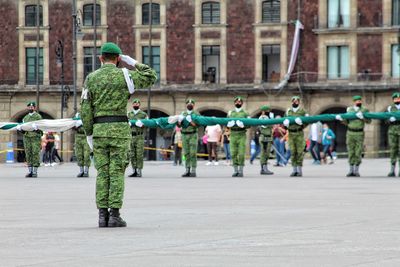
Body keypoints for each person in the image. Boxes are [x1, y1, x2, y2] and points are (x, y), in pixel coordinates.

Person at [81, 42, 157, 228]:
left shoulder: (91, 78)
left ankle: (101, 215)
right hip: (120, 132)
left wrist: (89, 132)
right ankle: (114, 215)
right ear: (117, 59)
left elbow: (85, 109)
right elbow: (151, 76)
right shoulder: (125, 75)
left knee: (102, 172)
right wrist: (132, 62)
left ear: (100, 58)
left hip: (99, 131)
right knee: (117, 172)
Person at [336, 95, 371, 177]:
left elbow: (369, 121)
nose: (358, 102)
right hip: (350, 133)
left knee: (358, 151)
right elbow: (346, 122)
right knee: (350, 151)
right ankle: (351, 169)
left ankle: (356, 170)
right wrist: (342, 119)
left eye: (359, 100)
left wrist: (363, 118)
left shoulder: (364, 109)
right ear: (354, 101)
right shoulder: (350, 110)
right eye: (356, 101)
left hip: (359, 133)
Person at [283, 96, 308, 177]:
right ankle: (294, 170)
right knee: (292, 152)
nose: (295, 102)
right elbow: (284, 120)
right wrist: (285, 125)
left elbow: (307, 120)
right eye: (293, 101)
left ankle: (299, 170)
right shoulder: (288, 111)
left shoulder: (302, 111)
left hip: (299, 133)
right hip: (291, 133)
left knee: (299, 152)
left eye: (296, 101)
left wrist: (302, 124)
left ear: (299, 102)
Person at [17, 101, 42, 178]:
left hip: (35, 137)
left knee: (35, 153)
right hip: (27, 137)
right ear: (27, 108)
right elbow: (24, 130)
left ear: (34, 108)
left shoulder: (38, 116)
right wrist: (20, 129)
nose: (30, 108)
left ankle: (35, 171)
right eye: (29, 107)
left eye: (32, 107)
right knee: (28, 154)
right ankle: (30, 171)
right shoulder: (25, 118)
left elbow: (41, 128)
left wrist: (36, 129)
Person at [227, 96, 249, 177]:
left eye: (239, 102)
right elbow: (226, 123)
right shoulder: (230, 113)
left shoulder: (245, 113)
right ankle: (235, 170)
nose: (238, 103)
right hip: (233, 134)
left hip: (241, 134)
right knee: (233, 153)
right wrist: (228, 125)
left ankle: (241, 170)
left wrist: (243, 125)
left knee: (241, 153)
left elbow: (250, 124)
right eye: (236, 102)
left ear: (242, 103)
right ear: (234, 103)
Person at [178, 99, 199, 177]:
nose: (189, 104)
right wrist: (179, 122)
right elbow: (179, 126)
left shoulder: (196, 114)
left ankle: (193, 170)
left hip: (193, 135)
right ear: (186, 105)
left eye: (191, 103)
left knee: (193, 153)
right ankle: (187, 169)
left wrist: (191, 121)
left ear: (194, 105)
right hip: (184, 135)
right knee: (186, 153)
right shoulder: (183, 113)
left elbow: (198, 125)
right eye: (188, 103)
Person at [127, 98, 148, 178]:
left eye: (137, 104)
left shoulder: (143, 114)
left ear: (139, 105)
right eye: (134, 104)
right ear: (132, 105)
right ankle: (134, 170)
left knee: (139, 154)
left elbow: (147, 123)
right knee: (132, 154)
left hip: (139, 136)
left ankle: (139, 170)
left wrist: (142, 125)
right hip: (131, 136)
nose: (136, 105)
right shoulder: (129, 114)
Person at [73, 112, 91, 177]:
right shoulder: (77, 114)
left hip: (86, 137)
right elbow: (73, 126)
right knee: (79, 154)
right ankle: (81, 171)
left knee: (86, 154)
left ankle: (86, 171)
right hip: (78, 137)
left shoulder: (87, 114)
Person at [386, 92, 400, 177]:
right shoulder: (390, 108)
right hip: (392, 131)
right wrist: (389, 120)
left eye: (398, 99)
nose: (397, 100)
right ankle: (392, 170)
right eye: (396, 99)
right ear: (393, 100)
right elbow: (385, 119)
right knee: (393, 150)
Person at [258, 105, 274, 175]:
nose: (268, 112)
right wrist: (271, 120)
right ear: (264, 111)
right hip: (264, 137)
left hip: (268, 137)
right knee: (264, 153)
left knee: (266, 154)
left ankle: (264, 168)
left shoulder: (268, 117)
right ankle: (263, 168)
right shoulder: (263, 118)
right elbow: (266, 125)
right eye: (267, 111)